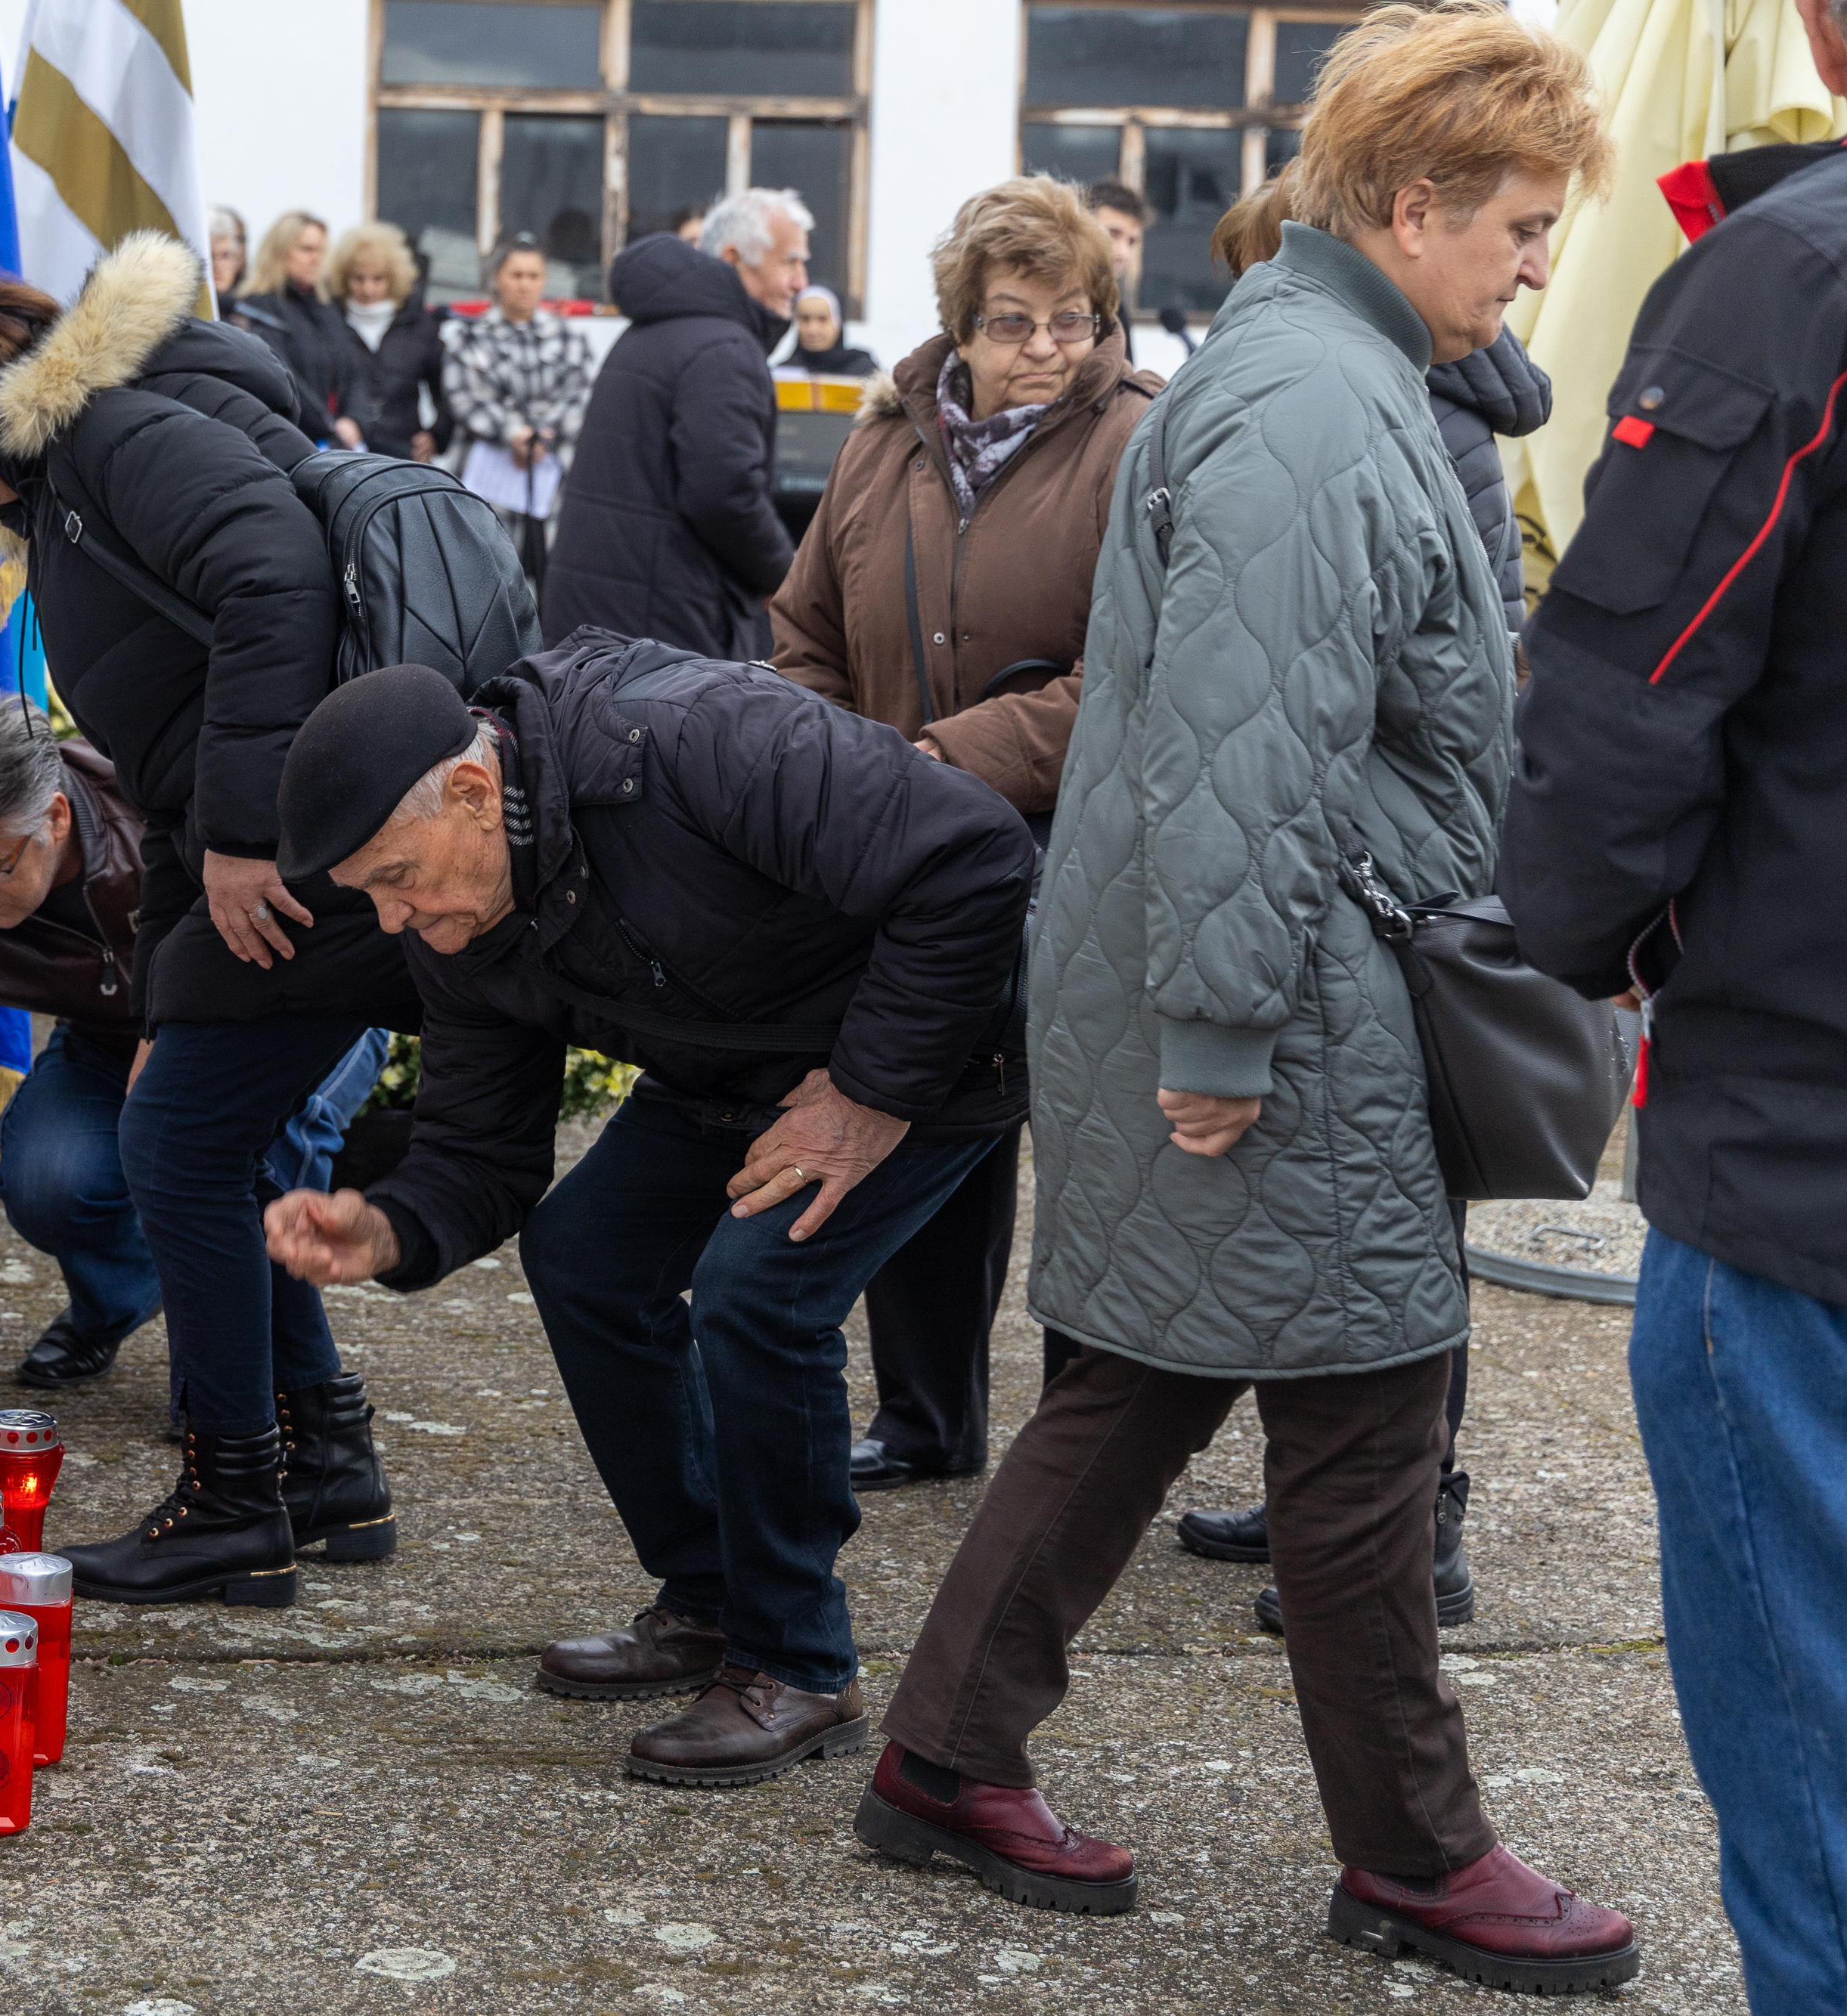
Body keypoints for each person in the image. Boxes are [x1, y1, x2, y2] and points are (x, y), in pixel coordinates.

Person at [857, 8, 1639, 1993]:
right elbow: (1237, 755)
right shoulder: (1314, 409)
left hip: (1267, 973)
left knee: (1138, 1379)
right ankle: (1420, 1857)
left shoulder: (1338, 368)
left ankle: (944, 1758)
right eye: (1524, 227)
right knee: (1369, 1424)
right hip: (1286, 1001)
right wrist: (1218, 1036)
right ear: (1410, 204)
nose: (1537, 263)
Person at [264, 649, 1034, 1788]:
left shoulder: (696, 740)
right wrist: (385, 1228)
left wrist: (870, 1093)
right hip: (733, 1064)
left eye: (396, 876)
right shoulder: (464, 916)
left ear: (475, 794)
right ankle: (712, 1596)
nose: (393, 919)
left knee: (758, 1288)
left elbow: (977, 860)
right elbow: (483, 1149)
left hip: (933, 1042)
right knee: (584, 1252)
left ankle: (800, 1660)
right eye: (368, 894)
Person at [0, 234, 423, 1608]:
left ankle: (240, 1498)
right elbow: (163, 753)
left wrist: (240, 835)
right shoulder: (71, 482)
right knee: (193, 1131)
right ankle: (324, 1465)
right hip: (286, 835)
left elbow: (272, 575)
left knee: (178, 1144)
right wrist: (177, 983)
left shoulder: (107, 434)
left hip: (323, 844)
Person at [1500, 5, 1847, 2005]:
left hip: (1800, 1145)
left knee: (1812, 1743)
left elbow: (1625, 706)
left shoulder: (1789, 280)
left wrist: (1590, 950)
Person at [1173, 166, 1559, 1631]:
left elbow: (1415, 655)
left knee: (1403, 1215)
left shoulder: (1409, 404)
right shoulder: (1374, 385)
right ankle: (1319, 1497)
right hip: (1374, 849)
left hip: (1391, 866)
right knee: (1344, 1212)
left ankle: (1421, 1525)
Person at [768, 175, 1160, 1492]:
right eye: (1013, 322)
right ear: (962, 326)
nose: (1046, 348)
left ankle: (1082, 1448)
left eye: (1072, 319)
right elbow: (803, 632)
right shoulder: (882, 443)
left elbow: (1144, 671)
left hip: (1084, 852)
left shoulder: (1141, 441)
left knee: (1093, 1155)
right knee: (931, 1111)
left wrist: (942, 758)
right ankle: (927, 1419)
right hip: (904, 858)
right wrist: (847, 769)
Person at [0, 690, 387, 1392]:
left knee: (258, 1150)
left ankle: (248, 1373)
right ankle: (121, 1300)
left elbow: (319, 937)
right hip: (113, 1043)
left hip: (287, 1014)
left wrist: (174, 1040)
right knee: (48, 1176)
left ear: (53, 816)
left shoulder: (162, 812)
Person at [543, 188, 810, 659]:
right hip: (661, 631)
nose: (800, 281)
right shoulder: (723, 349)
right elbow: (725, 493)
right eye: (789, 262)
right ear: (733, 259)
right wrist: (786, 582)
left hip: (607, 624)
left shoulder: (655, 330)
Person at [441, 235, 596, 587]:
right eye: (516, 275)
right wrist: (513, 434)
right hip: (491, 475)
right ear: (497, 278)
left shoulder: (569, 337)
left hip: (552, 474)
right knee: (490, 576)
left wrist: (542, 436)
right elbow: (465, 397)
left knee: (552, 577)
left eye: (533, 275)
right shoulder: (470, 337)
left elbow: (582, 395)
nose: (525, 285)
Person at [229, 210, 369, 449]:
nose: (316, 258)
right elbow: (283, 379)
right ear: (280, 252)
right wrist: (330, 428)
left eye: (321, 250)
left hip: (337, 443)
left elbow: (356, 370)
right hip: (290, 444)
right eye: (307, 249)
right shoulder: (257, 308)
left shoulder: (329, 308)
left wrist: (354, 420)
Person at [330, 221, 447, 461]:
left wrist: (435, 436)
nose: (368, 289)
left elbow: (447, 391)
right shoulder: (330, 323)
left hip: (404, 452)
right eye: (358, 279)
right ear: (343, 277)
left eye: (378, 279)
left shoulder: (419, 326)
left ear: (394, 278)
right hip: (343, 452)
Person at [779, 285, 878, 377]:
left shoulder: (864, 371)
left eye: (822, 319)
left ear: (838, 323)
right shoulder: (783, 373)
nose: (813, 329)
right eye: (805, 319)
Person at [1084, 178, 1148, 302]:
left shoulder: (1115, 311)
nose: (1123, 254)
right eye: (1112, 235)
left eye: (1131, 242)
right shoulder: (1043, 299)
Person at [206, 204, 247, 316]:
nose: (217, 265)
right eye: (211, 256)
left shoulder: (247, 312)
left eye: (226, 256)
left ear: (237, 260)